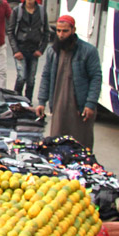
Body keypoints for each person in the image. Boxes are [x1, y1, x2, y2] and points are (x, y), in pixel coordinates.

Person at [35, 15, 101, 149]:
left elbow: (96, 77)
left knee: (81, 145)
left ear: (73, 30)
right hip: (59, 107)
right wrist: (42, 101)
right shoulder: (52, 51)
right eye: (58, 31)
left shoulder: (88, 51)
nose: (61, 35)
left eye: (65, 31)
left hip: (80, 108)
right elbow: (46, 76)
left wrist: (90, 103)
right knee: (57, 144)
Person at [6, 0, 48, 102]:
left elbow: (46, 32)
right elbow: (10, 32)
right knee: (22, 77)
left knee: (31, 79)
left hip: (34, 50)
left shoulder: (41, 11)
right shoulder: (17, 11)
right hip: (21, 49)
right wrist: (16, 50)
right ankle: (16, 100)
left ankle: (27, 102)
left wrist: (41, 50)